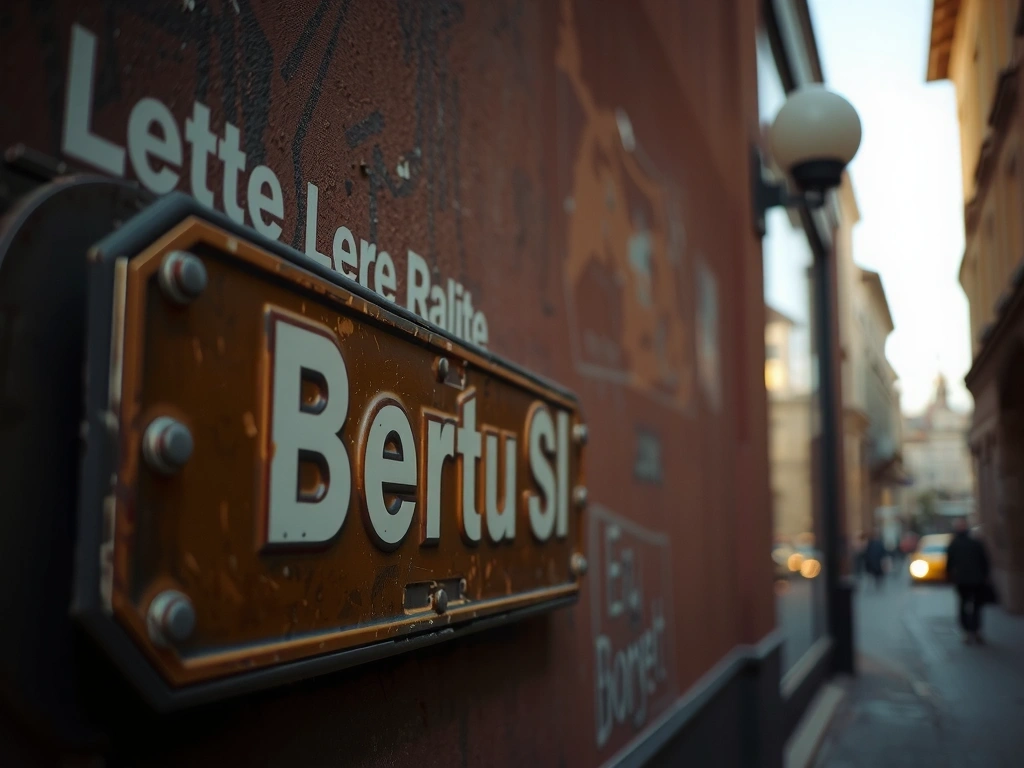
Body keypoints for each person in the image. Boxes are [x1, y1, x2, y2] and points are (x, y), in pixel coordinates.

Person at [946, 518, 992, 645]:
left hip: (964, 580)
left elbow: (949, 564)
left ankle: (969, 631)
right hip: (974, 580)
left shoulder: (955, 544)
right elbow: (985, 561)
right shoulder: (975, 542)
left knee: (966, 605)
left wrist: (950, 577)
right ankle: (974, 631)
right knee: (975, 606)